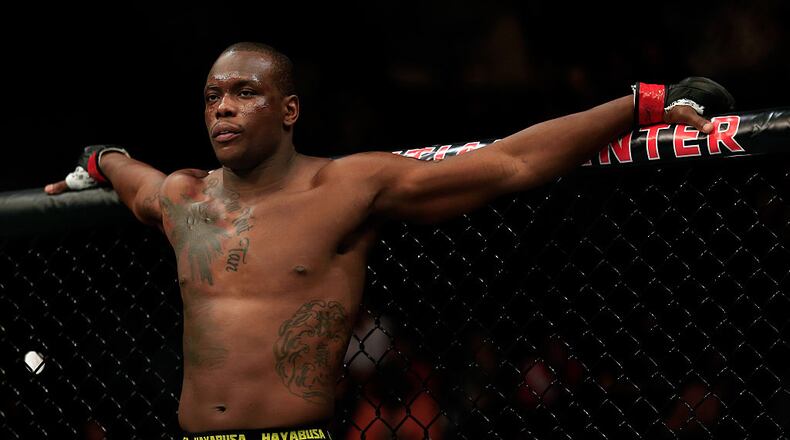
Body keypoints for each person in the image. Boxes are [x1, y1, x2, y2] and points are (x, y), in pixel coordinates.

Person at [44, 42, 734, 439]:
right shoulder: (182, 198)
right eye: (211, 95)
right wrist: (92, 164)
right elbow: (118, 163)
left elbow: (510, 163)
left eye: (244, 92)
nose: (222, 106)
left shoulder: (345, 188)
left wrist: (642, 103)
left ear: (288, 111)